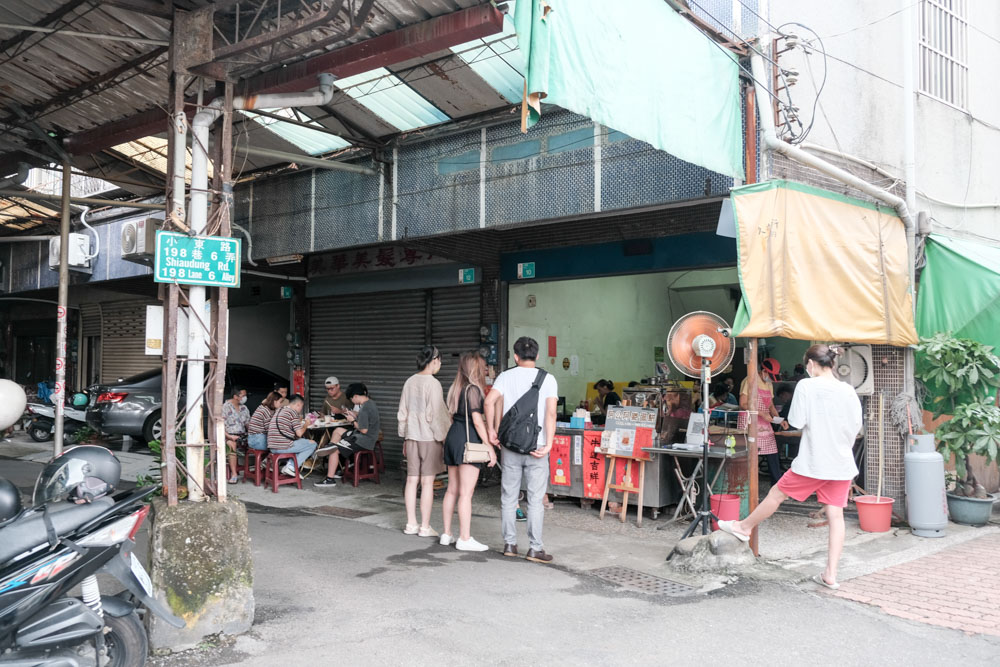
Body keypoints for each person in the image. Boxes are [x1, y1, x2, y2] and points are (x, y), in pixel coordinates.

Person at [719, 344, 863, 590]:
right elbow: (855, 427)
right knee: (836, 515)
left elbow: (795, 421)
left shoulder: (807, 385)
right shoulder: (848, 390)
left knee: (777, 493)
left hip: (814, 462)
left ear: (810, 364)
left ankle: (743, 527)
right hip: (841, 463)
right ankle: (831, 573)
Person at [485, 336, 558, 564]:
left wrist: (491, 431)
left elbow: (489, 402)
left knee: (509, 497)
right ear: (537, 356)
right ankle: (535, 549)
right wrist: (549, 443)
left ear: (515, 357)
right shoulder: (548, 379)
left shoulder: (505, 376)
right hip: (537, 448)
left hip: (510, 446)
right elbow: (551, 413)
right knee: (535, 500)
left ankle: (509, 544)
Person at [440, 351, 497, 550]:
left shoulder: (456, 388)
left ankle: (446, 534)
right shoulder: (473, 389)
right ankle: (464, 538)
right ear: (475, 368)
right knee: (466, 493)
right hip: (468, 440)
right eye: (482, 367)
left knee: (451, 490)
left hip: (453, 437)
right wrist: (489, 447)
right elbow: (476, 421)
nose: (485, 370)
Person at [393, 347, 450, 535]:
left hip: (411, 437)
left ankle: (411, 524)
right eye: (440, 361)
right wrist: (443, 437)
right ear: (434, 360)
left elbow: (402, 412)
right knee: (427, 482)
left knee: (411, 481)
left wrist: (404, 435)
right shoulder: (433, 384)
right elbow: (437, 415)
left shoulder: (409, 381)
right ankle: (425, 527)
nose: (440, 365)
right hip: (429, 438)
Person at [314, 383, 381, 488]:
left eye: (351, 399)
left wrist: (353, 420)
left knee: (334, 450)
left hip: (363, 440)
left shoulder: (364, 408)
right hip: (366, 437)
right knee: (338, 430)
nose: (352, 401)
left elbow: (363, 430)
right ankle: (332, 449)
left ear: (355, 396)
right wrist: (355, 415)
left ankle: (330, 478)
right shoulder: (370, 403)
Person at [740, 360, 789, 485]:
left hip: (764, 421)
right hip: (750, 421)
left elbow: (771, 406)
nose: (770, 379)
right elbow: (743, 403)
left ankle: (777, 484)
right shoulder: (749, 380)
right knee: (751, 453)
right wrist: (761, 413)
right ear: (763, 371)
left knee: (772, 451)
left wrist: (780, 420)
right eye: (769, 376)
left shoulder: (769, 384)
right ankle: (748, 483)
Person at [267, 394, 318, 477]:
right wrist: (306, 424)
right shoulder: (293, 413)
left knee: (303, 443)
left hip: (272, 446)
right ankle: (291, 467)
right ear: (298, 404)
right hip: (282, 446)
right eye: (301, 406)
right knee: (312, 444)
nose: (301, 409)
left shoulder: (280, 410)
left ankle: (290, 465)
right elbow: (300, 434)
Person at [222, 386, 250, 484]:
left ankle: (256, 470)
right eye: (243, 395)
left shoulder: (244, 408)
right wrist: (229, 436)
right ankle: (234, 474)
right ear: (235, 396)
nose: (245, 398)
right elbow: (220, 427)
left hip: (242, 435)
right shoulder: (225, 407)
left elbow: (247, 424)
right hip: (228, 436)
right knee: (231, 445)